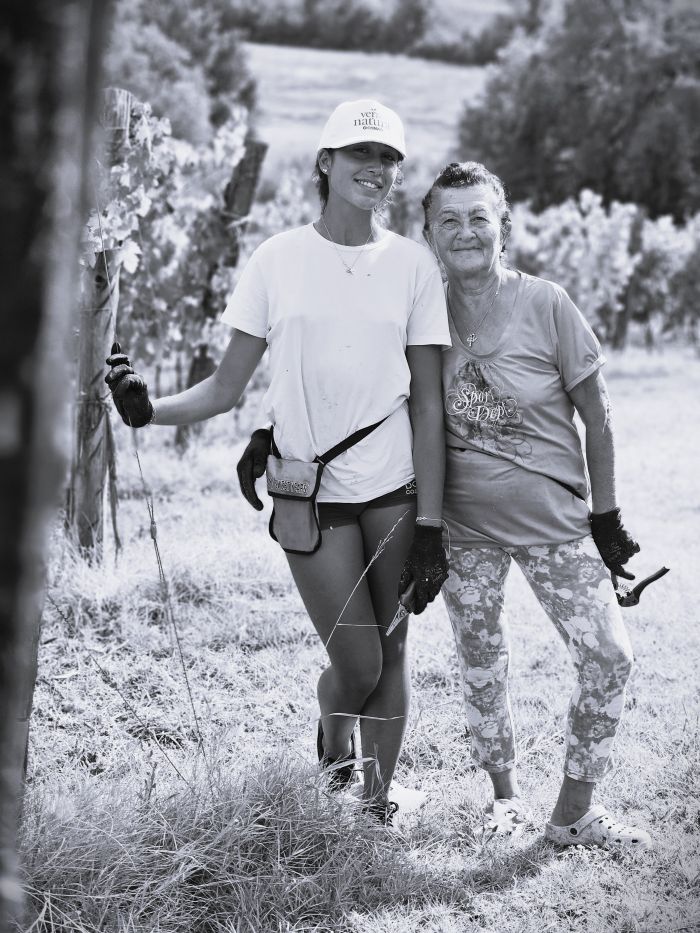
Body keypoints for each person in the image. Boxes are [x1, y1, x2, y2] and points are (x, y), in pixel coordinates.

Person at [105, 100, 450, 825]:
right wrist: (149, 408)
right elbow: (227, 387)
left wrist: (431, 524)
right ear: (325, 161)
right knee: (357, 665)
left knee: (393, 657)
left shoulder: (414, 266)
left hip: (393, 489)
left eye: (389, 157)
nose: (378, 169)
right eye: (362, 153)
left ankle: (375, 805)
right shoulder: (277, 259)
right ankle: (333, 745)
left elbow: (425, 403)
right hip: (309, 493)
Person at [420, 161, 650, 848]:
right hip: (463, 530)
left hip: (556, 523)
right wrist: (425, 531)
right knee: (481, 660)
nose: (465, 231)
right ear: (429, 232)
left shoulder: (547, 303)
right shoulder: (422, 315)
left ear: (503, 226)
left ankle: (573, 813)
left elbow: (598, 417)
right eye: (450, 220)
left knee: (610, 655)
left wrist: (605, 518)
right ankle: (505, 798)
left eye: (479, 217)